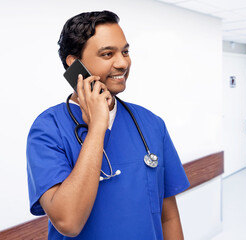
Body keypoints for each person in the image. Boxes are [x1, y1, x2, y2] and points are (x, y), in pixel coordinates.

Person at [26, 10, 190, 240]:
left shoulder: (151, 124)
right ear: (75, 65)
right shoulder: (47, 129)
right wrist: (97, 127)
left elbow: (168, 217)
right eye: (107, 54)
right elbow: (68, 222)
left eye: (125, 51)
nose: (123, 63)